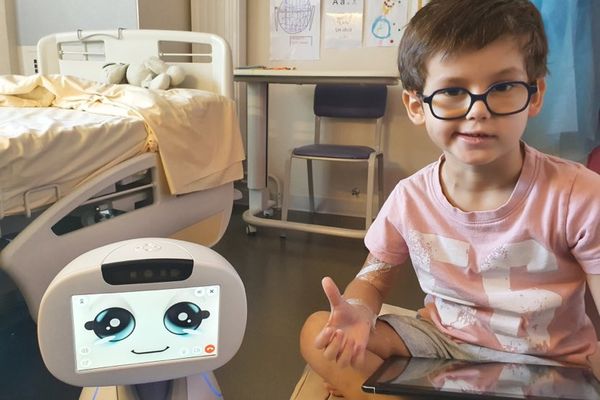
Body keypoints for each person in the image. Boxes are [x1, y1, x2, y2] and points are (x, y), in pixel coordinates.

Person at [299, 0, 600, 399]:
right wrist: (359, 311)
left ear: (536, 93)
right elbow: (373, 279)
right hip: (443, 345)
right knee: (319, 332)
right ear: (415, 105)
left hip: (551, 361)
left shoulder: (579, 194)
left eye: (503, 87)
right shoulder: (410, 197)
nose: (477, 111)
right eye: (453, 91)